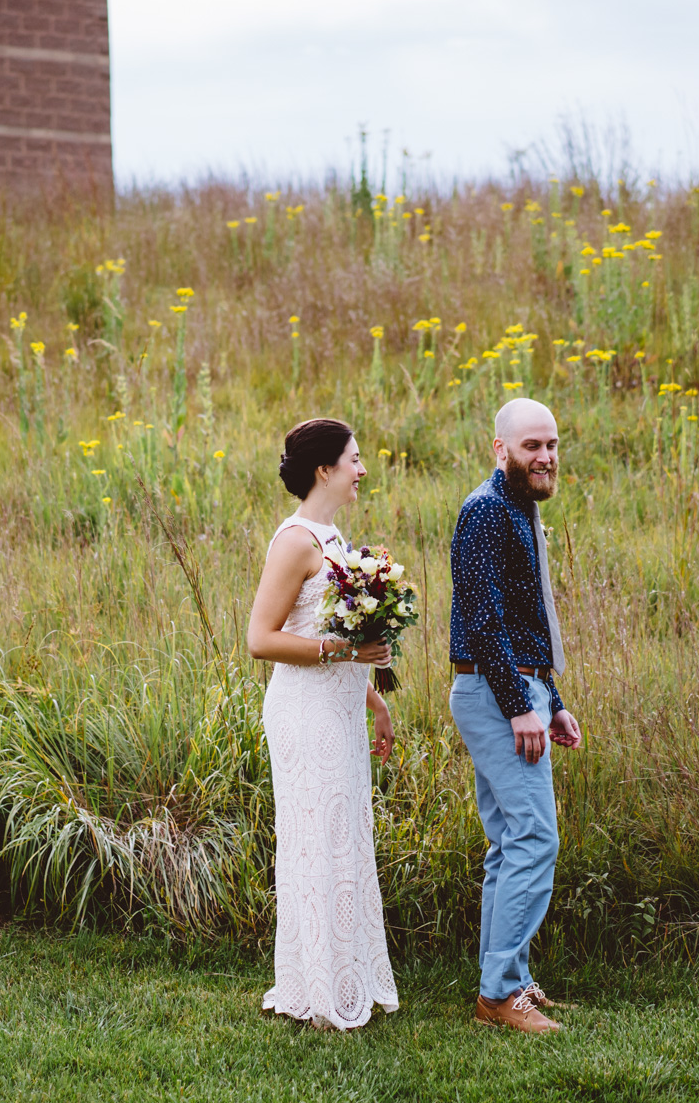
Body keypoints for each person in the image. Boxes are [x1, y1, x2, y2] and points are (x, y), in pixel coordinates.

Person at [246, 417, 400, 1032]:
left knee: (344, 839)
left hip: (338, 711)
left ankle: (347, 977)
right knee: (316, 843)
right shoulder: (295, 542)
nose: (362, 470)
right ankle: (314, 990)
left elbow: (330, 630)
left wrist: (374, 700)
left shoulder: (334, 537)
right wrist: (347, 652)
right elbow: (261, 639)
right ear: (323, 470)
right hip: (303, 713)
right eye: (353, 459)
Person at [448, 396, 584, 1034]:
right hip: (495, 692)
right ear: (500, 448)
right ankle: (499, 995)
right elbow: (483, 620)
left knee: (509, 843)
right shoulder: (485, 510)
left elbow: (524, 622)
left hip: (517, 689)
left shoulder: (520, 509)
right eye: (532, 445)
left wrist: (550, 701)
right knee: (535, 838)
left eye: (552, 445)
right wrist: (518, 705)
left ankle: (510, 981)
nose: (545, 456)